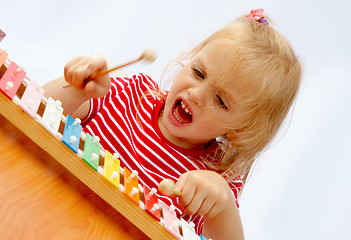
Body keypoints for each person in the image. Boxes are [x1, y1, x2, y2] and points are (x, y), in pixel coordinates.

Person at [43, 8, 302, 240]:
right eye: (198, 73)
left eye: (221, 101)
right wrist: (78, 89)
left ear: (240, 130)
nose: (197, 94)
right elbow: (38, 106)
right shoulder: (129, 94)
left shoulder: (215, 177)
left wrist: (222, 206)